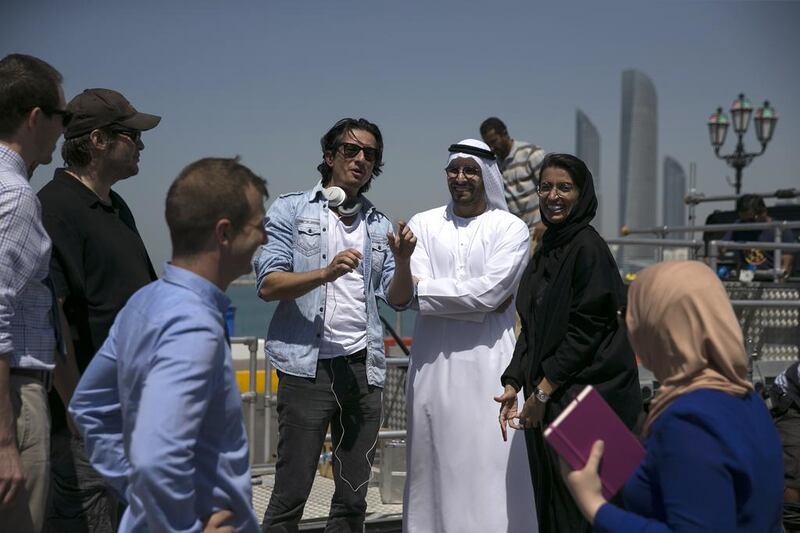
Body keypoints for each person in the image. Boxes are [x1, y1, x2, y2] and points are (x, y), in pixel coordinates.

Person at [69, 157, 267, 532]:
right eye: (260, 226)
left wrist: (137, 495)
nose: (265, 238)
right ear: (224, 233)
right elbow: (154, 459)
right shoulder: (193, 326)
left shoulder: (144, 303)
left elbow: (89, 407)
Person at [255, 118, 415, 532]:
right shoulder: (291, 209)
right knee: (290, 492)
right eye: (350, 150)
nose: (361, 159)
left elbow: (397, 299)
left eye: (370, 154)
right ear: (329, 156)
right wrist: (323, 274)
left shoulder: (378, 224)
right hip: (307, 371)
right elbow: (268, 284)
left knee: (352, 498)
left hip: (364, 372)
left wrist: (404, 262)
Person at [565, 261, 784, 532]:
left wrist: (593, 504)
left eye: (631, 316)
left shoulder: (689, 422)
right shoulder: (747, 399)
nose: (629, 328)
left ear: (660, 329)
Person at [496, 153, 641, 533]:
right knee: (554, 507)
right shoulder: (549, 248)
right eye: (546, 187)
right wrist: (513, 381)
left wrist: (541, 393)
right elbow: (533, 325)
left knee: (583, 512)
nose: (553, 196)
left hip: (588, 398)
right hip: (553, 397)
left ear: (582, 193)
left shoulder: (587, 248)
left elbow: (586, 330)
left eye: (565, 187)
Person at [38, 87, 160, 532]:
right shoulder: (55, 209)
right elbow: (53, 319)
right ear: (98, 141)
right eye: (132, 135)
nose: (142, 145)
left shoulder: (115, 206)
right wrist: (77, 410)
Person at [403, 139, 537, 532]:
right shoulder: (423, 224)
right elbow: (479, 298)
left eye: (470, 170)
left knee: (492, 472)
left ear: (487, 175)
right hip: (432, 371)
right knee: (432, 470)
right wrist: (472, 300)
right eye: (453, 170)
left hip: (492, 373)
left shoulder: (510, 228)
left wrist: (424, 293)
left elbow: (491, 296)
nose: (460, 178)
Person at [0, 53, 67, 533]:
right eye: (61, 116)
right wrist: (5, 442)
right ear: (35, 118)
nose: (64, 129)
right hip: (15, 395)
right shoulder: (17, 196)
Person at [480, 117, 547, 246]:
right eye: (488, 144)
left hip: (538, 230)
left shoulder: (531, 154)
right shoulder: (493, 166)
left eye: (494, 141)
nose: (492, 148)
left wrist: (545, 221)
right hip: (515, 235)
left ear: (504, 134)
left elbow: (550, 189)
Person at [722, 193, 795, 279]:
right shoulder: (739, 226)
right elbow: (721, 249)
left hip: (771, 281)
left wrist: (777, 288)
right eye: (743, 220)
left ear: (763, 212)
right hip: (746, 281)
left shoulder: (781, 230)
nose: (747, 224)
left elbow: (786, 266)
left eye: (751, 220)